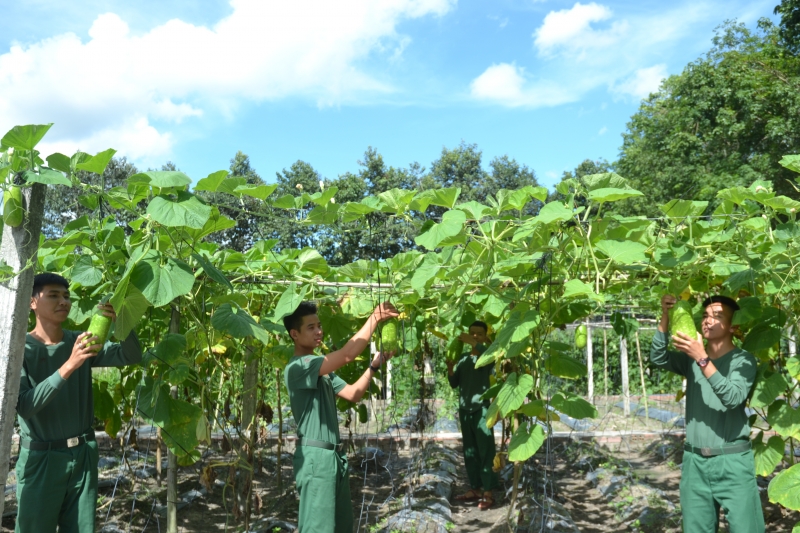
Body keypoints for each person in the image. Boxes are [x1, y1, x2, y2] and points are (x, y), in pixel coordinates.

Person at [15, 273, 142, 533]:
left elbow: (131, 355)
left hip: (83, 454)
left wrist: (123, 323)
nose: (64, 301)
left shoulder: (80, 341)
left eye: (66, 296)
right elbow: (26, 406)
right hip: (42, 459)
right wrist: (71, 363)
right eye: (53, 295)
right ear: (32, 302)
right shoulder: (20, 350)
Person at [283, 300, 398, 533]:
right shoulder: (298, 367)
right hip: (316, 458)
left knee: (341, 527)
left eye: (319, 325)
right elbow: (347, 354)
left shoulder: (321, 371)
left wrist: (375, 365)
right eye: (311, 327)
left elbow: (353, 394)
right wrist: (374, 318)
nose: (319, 331)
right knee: (318, 528)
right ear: (294, 334)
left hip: (334, 457)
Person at [652, 294, 764, 533]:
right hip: (694, 462)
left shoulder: (743, 361)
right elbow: (657, 357)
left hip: (732, 461)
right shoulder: (690, 361)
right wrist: (665, 315)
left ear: (733, 326)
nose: (707, 321)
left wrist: (701, 358)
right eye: (704, 316)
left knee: (747, 529)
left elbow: (732, 398)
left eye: (717, 316)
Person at [446, 320, 496, 510]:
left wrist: (474, 343)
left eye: (479, 334)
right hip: (465, 409)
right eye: (472, 333)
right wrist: (451, 368)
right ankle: (475, 488)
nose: (474, 336)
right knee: (470, 451)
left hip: (482, 409)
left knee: (486, 451)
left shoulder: (487, 355)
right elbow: (454, 383)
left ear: (485, 337)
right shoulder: (464, 358)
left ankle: (489, 491)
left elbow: (490, 356)